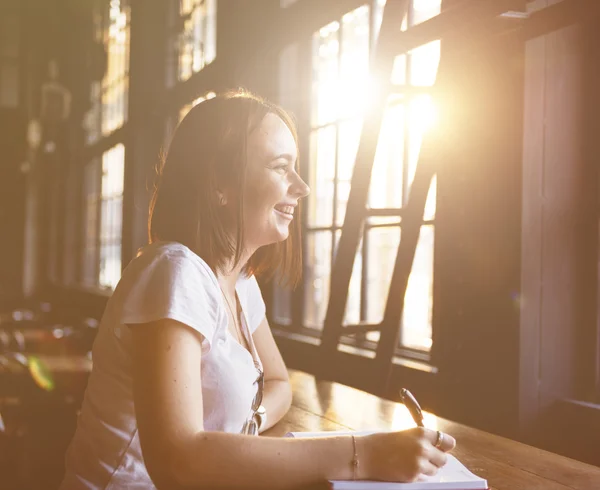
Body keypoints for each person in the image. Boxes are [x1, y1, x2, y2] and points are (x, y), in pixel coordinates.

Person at [59, 89, 456, 490]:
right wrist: (363, 454)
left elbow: (279, 383)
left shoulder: (240, 281)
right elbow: (176, 462)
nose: (301, 187)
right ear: (220, 184)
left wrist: (249, 427)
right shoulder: (174, 272)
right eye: (280, 167)